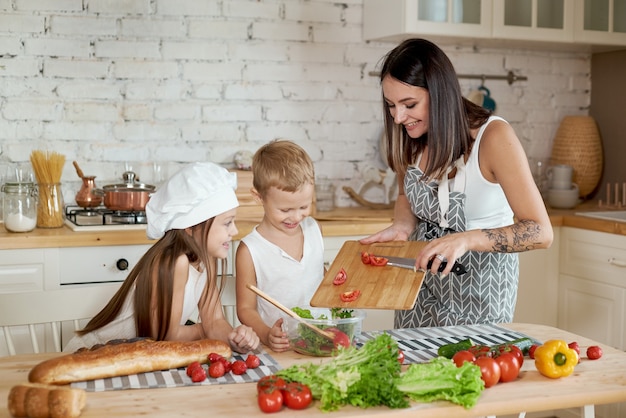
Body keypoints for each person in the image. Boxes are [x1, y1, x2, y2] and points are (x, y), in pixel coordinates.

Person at [361, 38, 553, 328]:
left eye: (409, 104)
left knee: (468, 371)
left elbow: (540, 231)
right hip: (420, 285)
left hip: (480, 291)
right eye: (391, 105)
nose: (399, 117)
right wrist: (403, 225)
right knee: (412, 370)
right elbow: (405, 192)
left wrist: (466, 239)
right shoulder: (411, 133)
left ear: (439, 94)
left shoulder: (494, 137)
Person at [64, 162, 260, 354]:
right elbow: (167, 336)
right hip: (92, 353)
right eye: (227, 223)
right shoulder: (176, 262)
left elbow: (215, 321)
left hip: (131, 356)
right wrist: (204, 330)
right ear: (191, 227)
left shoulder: (207, 260)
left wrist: (234, 337)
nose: (234, 230)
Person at [235, 139, 324, 352]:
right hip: (281, 348)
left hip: (322, 340)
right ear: (259, 197)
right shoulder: (250, 250)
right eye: (285, 210)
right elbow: (246, 308)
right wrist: (266, 334)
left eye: (304, 206)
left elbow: (316, 274)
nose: (296, 216)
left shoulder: (313, 228)